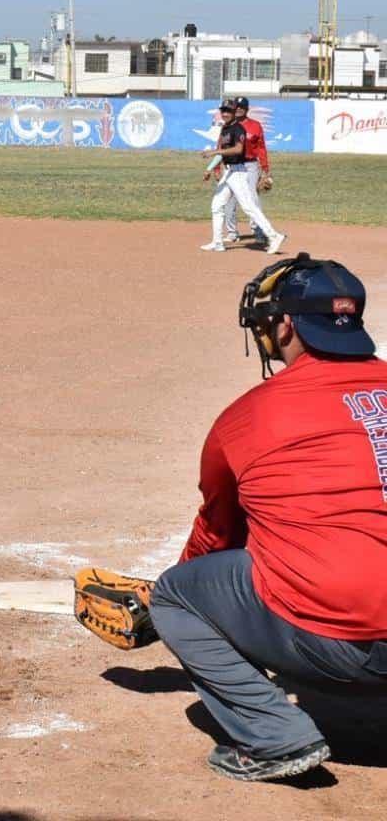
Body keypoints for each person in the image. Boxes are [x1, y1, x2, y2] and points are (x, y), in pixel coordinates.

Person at [150, 254, 387, 781]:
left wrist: (152, 603)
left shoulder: (249, 414)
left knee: (177, 594)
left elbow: (217, 533)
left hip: (347, 647)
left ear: (284, 325)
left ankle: (275, 738)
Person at [200, 104, 284, 254]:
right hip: (229, 172)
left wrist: (214, 152)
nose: (225, 113)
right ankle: (217, 242)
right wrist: (209, 168)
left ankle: (274, 236)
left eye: (228, 111)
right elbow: (223, 153)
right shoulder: (225, 128)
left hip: (239, 172)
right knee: (217, 205)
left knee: (248, 206)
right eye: (223, 111)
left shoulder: (238, 129)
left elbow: (238, 149)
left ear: (234, 113)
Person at [224, 97, 272, 246]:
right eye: (237, 106)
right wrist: (216, 168)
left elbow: (261, 148)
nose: (239, 109)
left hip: (250, 166)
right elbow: (222, 147)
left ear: (247, 109)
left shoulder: (255, 126)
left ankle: (258, 232)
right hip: (232, 166)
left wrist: (265, 169)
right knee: (229, 199)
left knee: (252, 199)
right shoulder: (229, 126)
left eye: (242, 107)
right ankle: (232, 233)